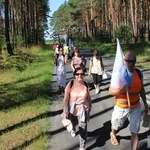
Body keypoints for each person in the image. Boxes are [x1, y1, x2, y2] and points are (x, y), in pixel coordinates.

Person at [109, 52, 149, 150]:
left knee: (135, 131)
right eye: (128, 61)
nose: (130, 64)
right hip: (121, 108)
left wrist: (145, 104)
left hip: (135, 108)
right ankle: (113, 133)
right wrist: (120, 90)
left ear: (135, 62)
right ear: (124, 61)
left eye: (132, 61)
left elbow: (141, 90)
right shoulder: (119, 74)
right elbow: (110, 91)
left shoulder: (139, 73)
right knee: (116, 125)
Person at [62, 67, 92, 150]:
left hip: (83, 109)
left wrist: (90, 106)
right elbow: (65, 99)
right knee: (73, 123)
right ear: (74, 75)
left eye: (82, 74)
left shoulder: (85, 84)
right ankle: (73, 129)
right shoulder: (70, 84)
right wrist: (65, 112)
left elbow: (88, 97)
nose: (80, 76)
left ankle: (82, 146)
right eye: (77, 74)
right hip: (73, 108)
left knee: (83, 128)